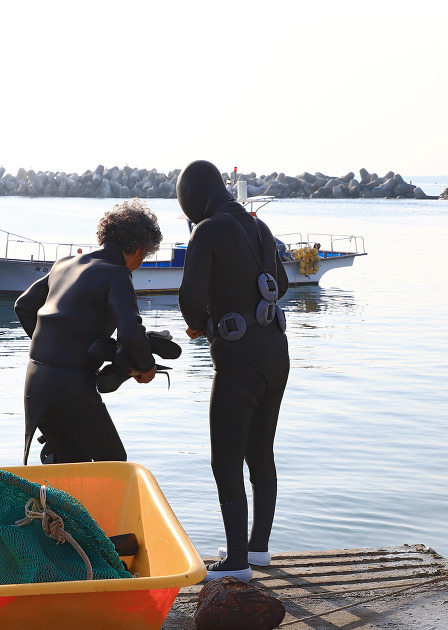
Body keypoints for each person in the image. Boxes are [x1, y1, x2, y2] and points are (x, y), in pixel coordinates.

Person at [177, 160, 290, 582]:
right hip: (277, 356)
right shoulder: (260, 228)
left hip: (239, 362)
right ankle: (257, 548)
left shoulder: (206, 231)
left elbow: (188, 298)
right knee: (260, 453)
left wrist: (201, 322)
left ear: (193, 197)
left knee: (225, 461)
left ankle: (236, 562)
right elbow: (282, 282)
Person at [15, 198, 162, 465]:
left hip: (35, 382)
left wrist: (53, 348)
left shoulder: (65, 264)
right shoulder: (117, 274)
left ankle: (54, 507)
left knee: (71, 463)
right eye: (144, 255)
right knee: (114, 464)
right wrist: (147, 366)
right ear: (139, 249)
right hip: (71, 386)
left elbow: (24, 306)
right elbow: (131, 332)